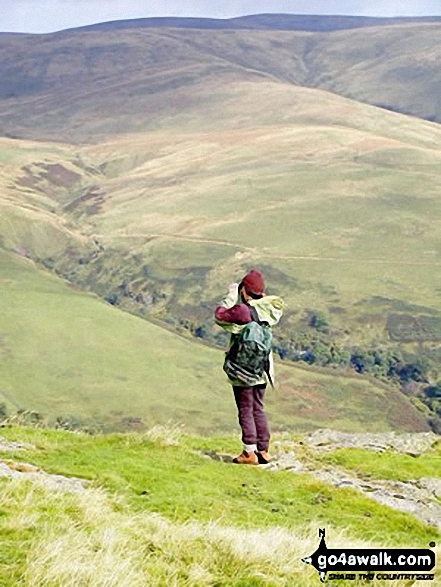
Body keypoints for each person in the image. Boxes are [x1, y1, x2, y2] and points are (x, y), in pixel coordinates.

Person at [214, 270, 284, 465]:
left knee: (245, 408)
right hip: (263, 366)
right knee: (258, 407)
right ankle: (264, 450)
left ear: (244, 291)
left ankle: (249, 452)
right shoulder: (270, 308)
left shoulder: (243, 311)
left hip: (243, 367)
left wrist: (230, 295)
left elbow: (220, 316)